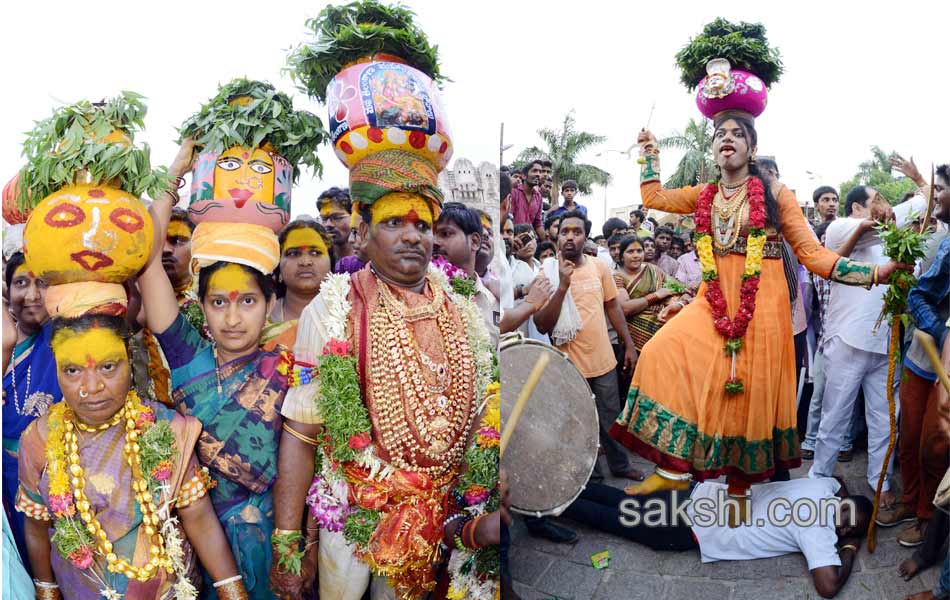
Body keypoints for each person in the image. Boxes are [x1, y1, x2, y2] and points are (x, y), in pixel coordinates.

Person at [612, 119, 908, 523]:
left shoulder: (776, 194)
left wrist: (874, 274)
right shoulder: (705, 194)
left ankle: (739, 487)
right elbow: (653, 198)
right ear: (713, 150)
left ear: (751, 149)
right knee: (660, 352)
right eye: (720, 135)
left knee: (747, 397)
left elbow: (813, 255)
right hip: (712, 302)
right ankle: (673, 469)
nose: (727, 139)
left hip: (762, 309)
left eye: (737, 134)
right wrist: (649, 152)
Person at [275, 150, 501, 599]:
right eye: (394, 223)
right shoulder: (332, 310)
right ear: (361, 235)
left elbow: (485, 413)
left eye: (422, 226)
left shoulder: (464, 307)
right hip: (358, 512)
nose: (413, 236)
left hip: (449, 515)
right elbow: (301, 434)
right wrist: (288, 542)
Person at [139, 141, 291, 600]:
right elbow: (146, 263)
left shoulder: (288, 361)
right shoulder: (188, 355)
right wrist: (174, 175)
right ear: (200, 307)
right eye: (218, 302)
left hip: (274, 543)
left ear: (269, 305)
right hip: (194, 539)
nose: (231, 318)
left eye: (247, 301)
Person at [17, 311, 247, 599]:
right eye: (73, 370)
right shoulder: (39, 439)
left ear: (130, 358)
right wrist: (46, 593)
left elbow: (199, 518)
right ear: (57, 368)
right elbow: (37, 527)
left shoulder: (163, 428)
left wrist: (233, 593)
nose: (92, 387)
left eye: (108, 366)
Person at [561, 475, 873, 599]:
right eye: (846, 521)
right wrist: (849, 546)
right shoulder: (818, 529)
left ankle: (560, 486)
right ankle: (550, 504)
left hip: (697, 492)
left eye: (848, 529)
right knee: (611, 519)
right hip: (686, 526)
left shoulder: (822, 488)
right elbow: (828, 587)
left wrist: (848, 511)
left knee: (620, 501)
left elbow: (839, 481)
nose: (842, 528)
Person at [808, 185, 917, 510]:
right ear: (857, 207)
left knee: (885, 419)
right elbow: (834, 258)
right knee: (835, 416)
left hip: (885, 342)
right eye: (876, 201)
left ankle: (879, 481)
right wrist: (867, 226)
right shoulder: (842, 226)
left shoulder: (889, 240)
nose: (883, 206)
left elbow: (911, 219)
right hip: (848, 340)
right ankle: (820, 478)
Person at [533, 210, 642, 482]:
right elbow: (543, 325)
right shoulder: (546, 272)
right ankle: (589, 474)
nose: (570, 237)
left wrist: (628, 344)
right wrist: (562, 286)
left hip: (602, 359)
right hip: (567, 365)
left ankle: (620, 465)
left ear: (585, 236)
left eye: (577, 232)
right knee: (576, 422)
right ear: (556, 236)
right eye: (564, 231)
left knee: (610, 418)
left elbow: (613, 306)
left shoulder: (599, 267)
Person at [877, 166, 950, 546]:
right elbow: (918, 294)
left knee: (931, 446)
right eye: (932, 190)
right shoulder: (933, 240)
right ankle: (909, 502)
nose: (934, 197)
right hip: (918, 358)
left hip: (943, 368)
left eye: (941, 190)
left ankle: (926, 517)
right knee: (907, 438)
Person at [2, 252, 57, 567]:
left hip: (58, 477)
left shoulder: (63, 337)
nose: (33, 294)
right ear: (7, 290)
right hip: (6, 480)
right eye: (21, 282)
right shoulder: (3, 343)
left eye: (43, 283)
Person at [262, 220, 334, 351]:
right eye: (293, 253)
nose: (305, 262)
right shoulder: (260, 318)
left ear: (331, 265)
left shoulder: (351, 317)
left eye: (315, 253)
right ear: (278, 269)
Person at [434, 201, 499, 344]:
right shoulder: (421, 294)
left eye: (445, 233)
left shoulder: (493, 302)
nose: (435, 242)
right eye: (431, 234)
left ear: (475, 242)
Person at [613, 236, 689, 354]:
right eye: (630, 251)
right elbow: (624, 308)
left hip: (663, 332)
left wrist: (677, 302)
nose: (636, 255)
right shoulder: (617, 277)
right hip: (634, 338)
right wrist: (657, 295)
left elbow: (681, 288)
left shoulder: (653, 269)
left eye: (639, 251)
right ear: (622, 256)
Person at [318, 186, 355, 266]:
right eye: (324, 219)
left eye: (337, 218)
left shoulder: (370, 263)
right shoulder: (318, 263)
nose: (328, 224)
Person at [511, 160, 545, 239]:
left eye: (540, 172)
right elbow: (509, 219)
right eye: (534, 171)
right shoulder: (513, 193)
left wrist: (547, 242)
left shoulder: (538, 197)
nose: (538, 174)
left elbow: (537, 223)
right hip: (514, 239)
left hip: (530, 240)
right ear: (524, 176)